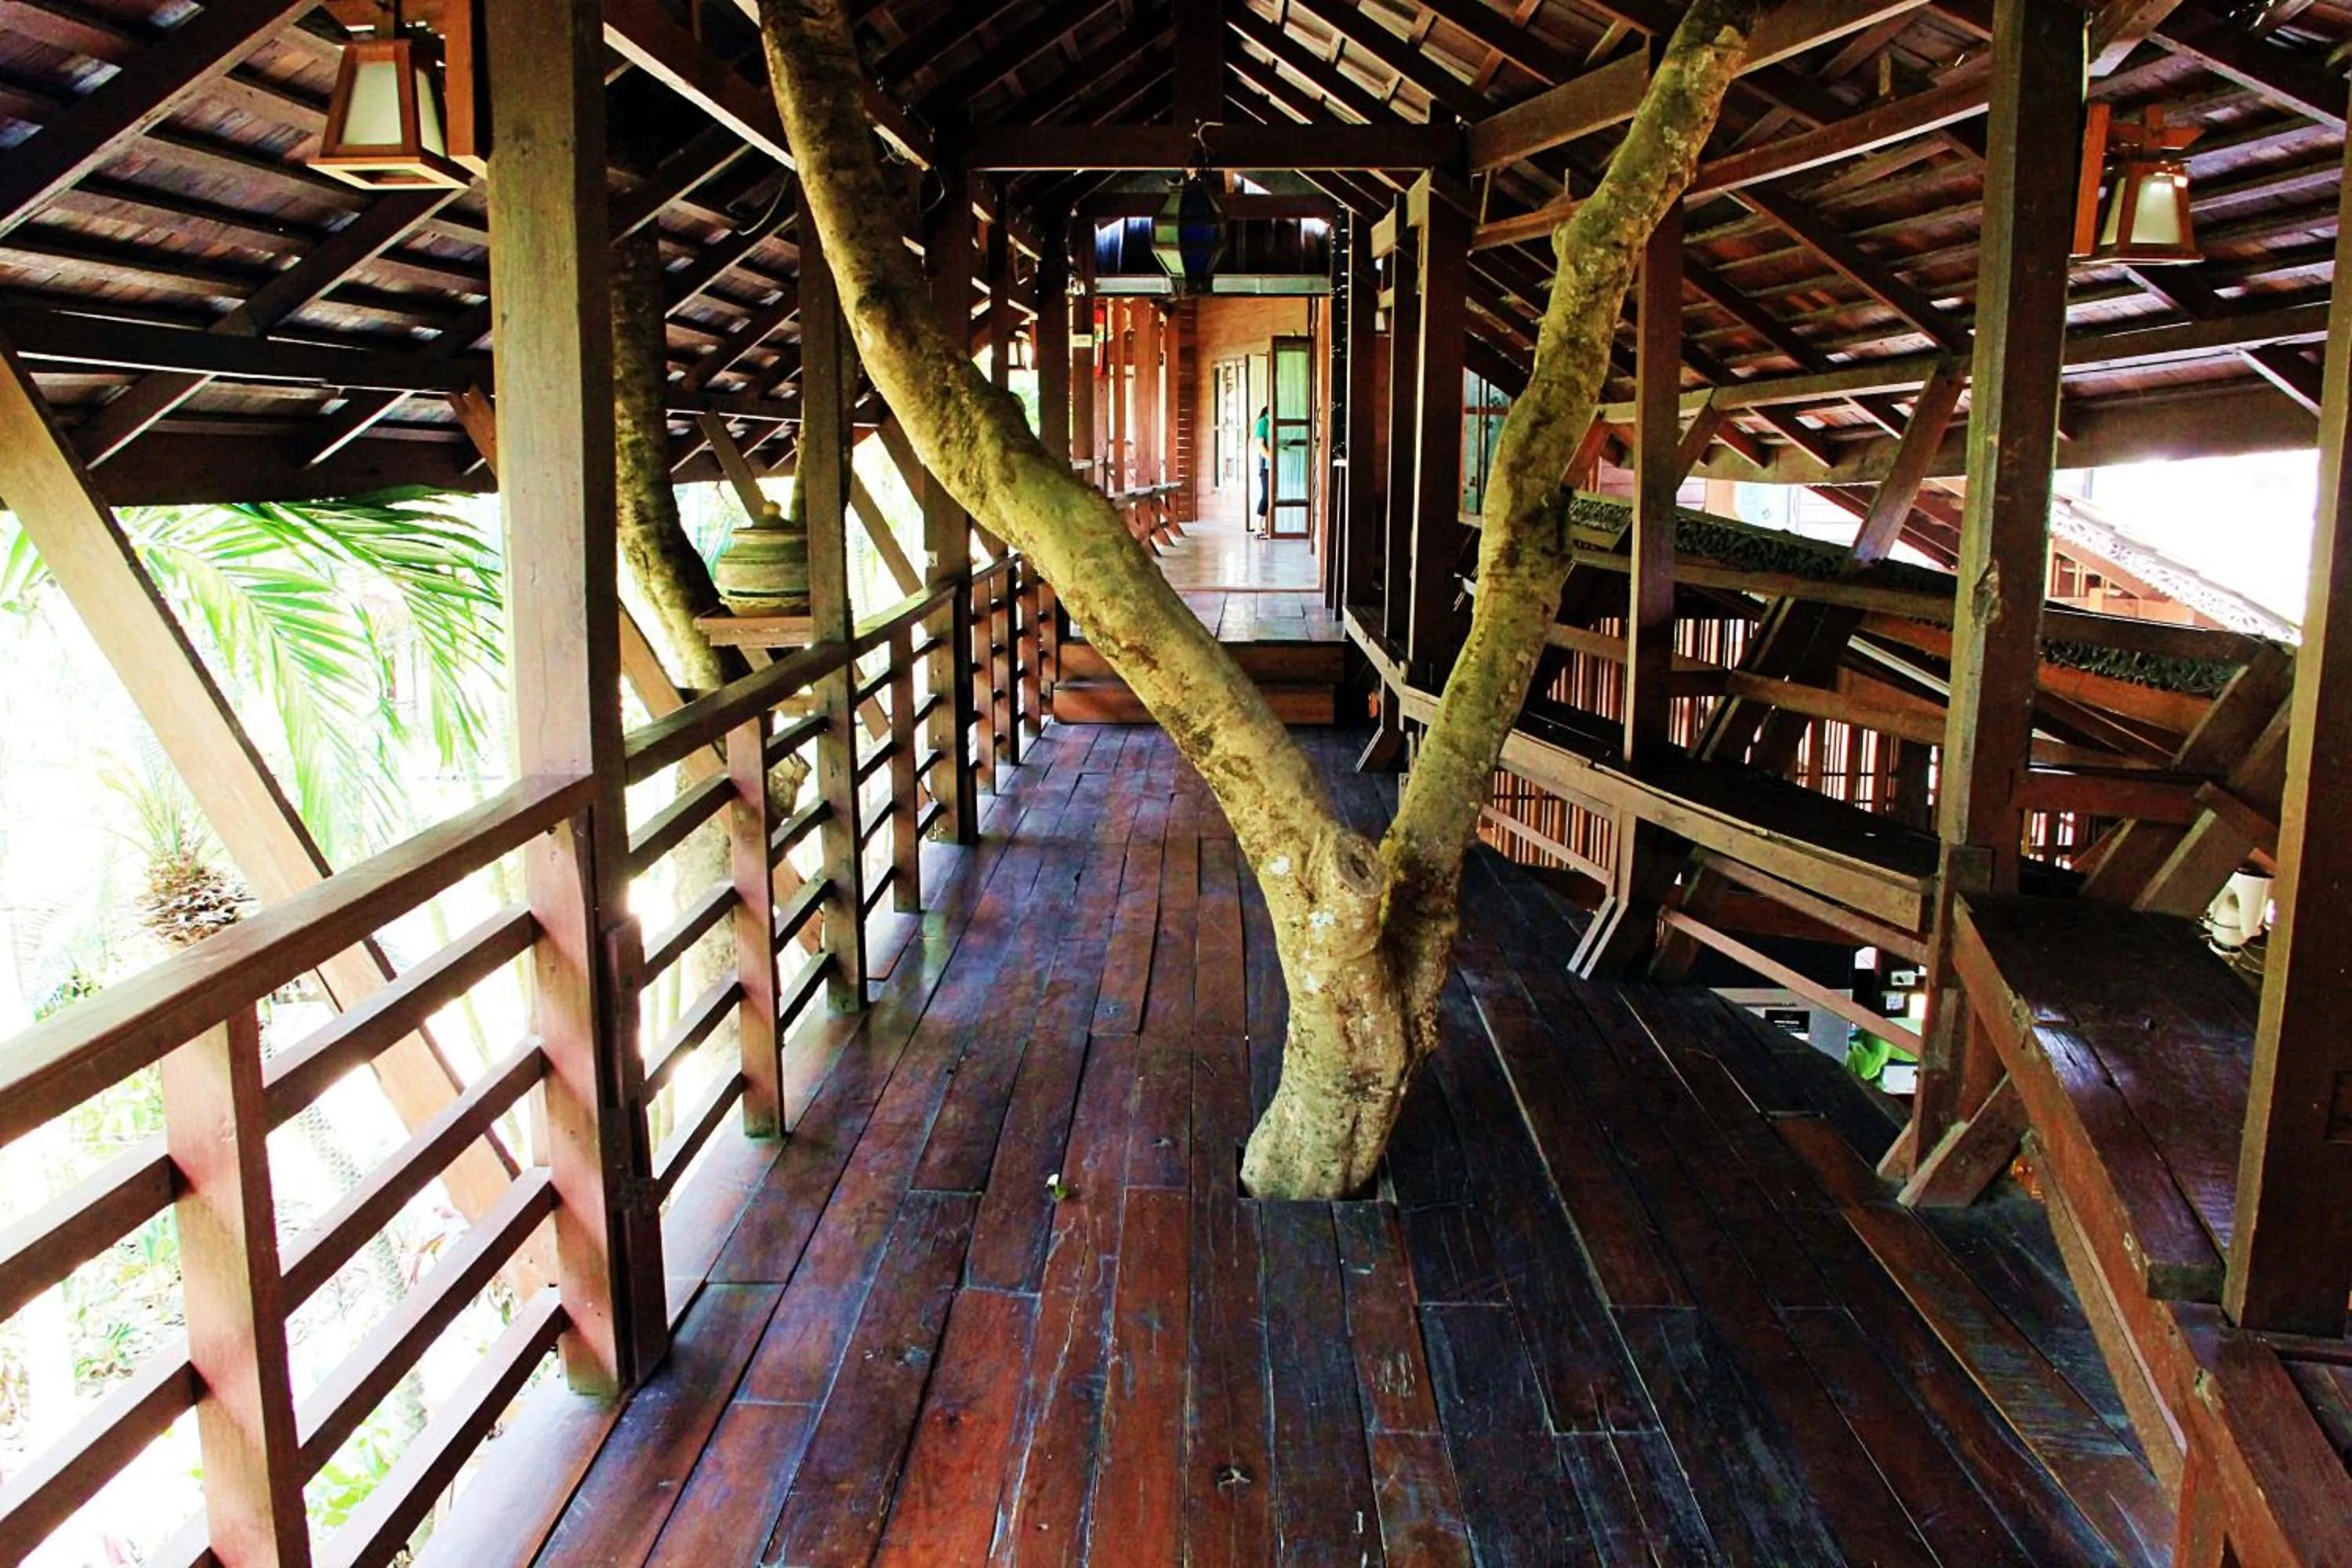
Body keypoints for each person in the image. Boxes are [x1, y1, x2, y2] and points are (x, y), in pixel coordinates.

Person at [1251, 404, 1272, 537]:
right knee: (1267, 495)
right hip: (1267, 466)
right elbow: (1260, 445)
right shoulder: (1263, 422)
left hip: (1281, 465)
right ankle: (1258, 527)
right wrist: (1272, 459)